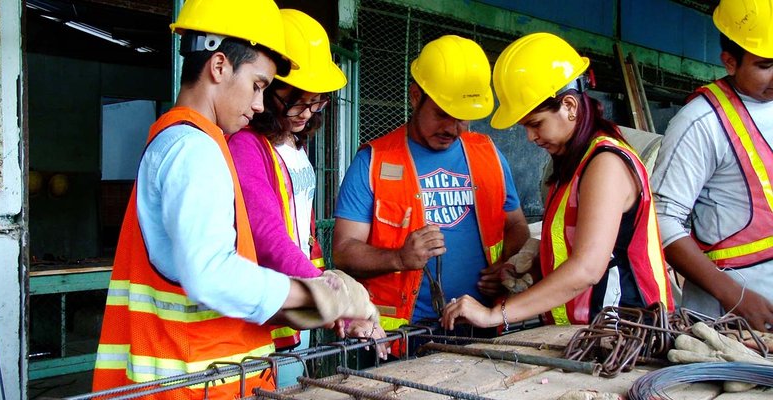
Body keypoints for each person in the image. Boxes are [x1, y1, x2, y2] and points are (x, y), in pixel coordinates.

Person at [92, 1, 377, 398]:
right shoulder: (194, 148)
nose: (260, 104)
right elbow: (210, 272)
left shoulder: (187, 141)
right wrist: (318, 295)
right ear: (220, 66)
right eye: (259, 84)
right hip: (194, 385)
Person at [441, 32, 674, 331]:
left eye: (535, 124)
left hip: (628, 333)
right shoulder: (570, 165)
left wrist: (496, 313)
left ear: (569, 106)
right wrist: (534, 263)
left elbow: (587, 268)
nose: (529, 137)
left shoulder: (605, 164)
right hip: (590, 334)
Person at [332, 35, 530, 348]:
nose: (452, 128)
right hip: (402, 336)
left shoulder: (488, 154)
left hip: (482, 324)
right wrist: (398, 258)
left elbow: (516, 225)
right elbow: (343, 249)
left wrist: (504, 266)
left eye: (461, 117)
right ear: (415, 97)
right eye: (441, 113)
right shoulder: (373, 160)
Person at [227, 9, 386, 386]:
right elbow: (267, 234)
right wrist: (334, 297)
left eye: (318, 102)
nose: (307, 112)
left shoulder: (296, 146)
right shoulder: (247, 145)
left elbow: (303, 234)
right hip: (267, 313)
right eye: (297, 100)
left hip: (298, 307)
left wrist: (330, 302)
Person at [651, 0, 773, 332]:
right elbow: (662, 221)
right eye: (766, 65)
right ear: (730, 62)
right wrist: (736, 297)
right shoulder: (701, 122)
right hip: (730, 320)